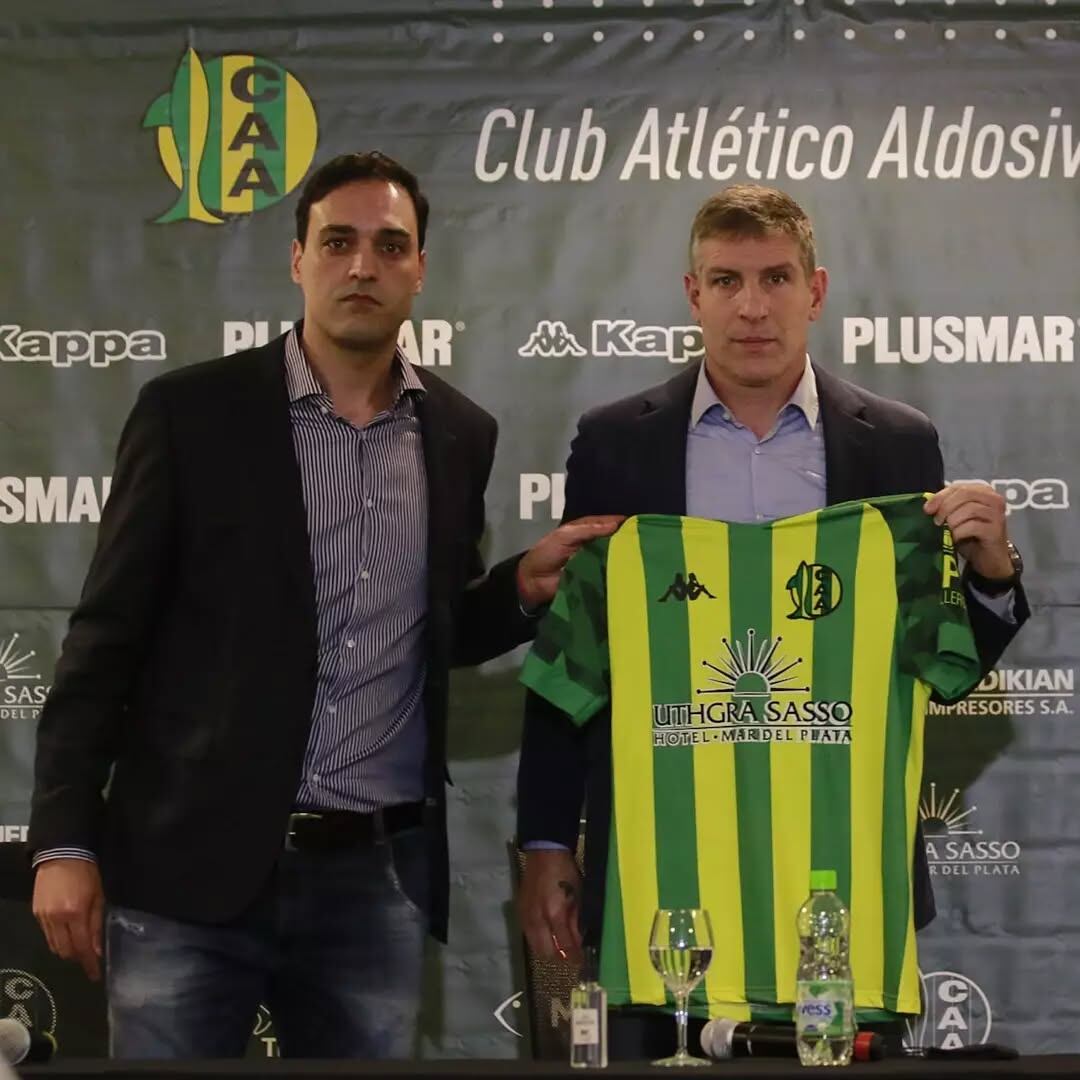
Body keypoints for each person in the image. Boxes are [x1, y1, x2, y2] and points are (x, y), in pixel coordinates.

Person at [28, 151, 620, 1060]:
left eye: (391, 246)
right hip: (188, 870)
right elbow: (104, 638)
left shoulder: (462, 433)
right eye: (338, 241)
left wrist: (520, 588)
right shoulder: (189, 414)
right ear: (296, 258)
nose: (362, 265)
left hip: (372, 883)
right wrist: (64, 840)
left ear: (420, 269)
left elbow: (435, 628)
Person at [516, 183, 1029, 1057]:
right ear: (693, 295)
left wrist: (991, 575)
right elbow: (578, 658)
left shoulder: (900, 445)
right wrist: (544, 837)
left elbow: (936, 660)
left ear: (816, 290)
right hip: (664, 888)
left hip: (840, 886)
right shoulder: (613, 443)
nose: (751, 306)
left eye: (775, 278)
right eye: (725, 280)